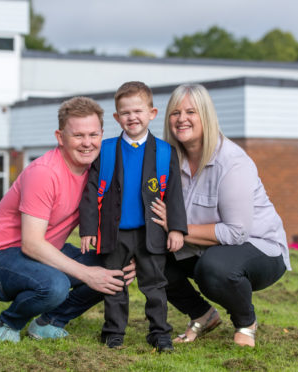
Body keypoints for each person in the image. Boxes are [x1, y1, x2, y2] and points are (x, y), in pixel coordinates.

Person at [0, 96, 136, 343]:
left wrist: (128, 256)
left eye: (93, 135)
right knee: (55, 285)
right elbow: (32, 244)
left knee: (116, 267)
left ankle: (49, 322)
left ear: (102, 134)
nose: (87, 143)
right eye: (78, 136)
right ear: (60, 137)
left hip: (43, 254)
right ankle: (10, 322)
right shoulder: (44, 173)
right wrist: (88, 274)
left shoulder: (97, 171)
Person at [151, 84, 291, 347]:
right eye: (175, 112)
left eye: (191, 111)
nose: (182, 119)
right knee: (150, 257)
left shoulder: (232, 161)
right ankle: (203, 315)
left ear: (206, 116)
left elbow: (236, 232)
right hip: (203, 246)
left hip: (260, 248)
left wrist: (177, 227)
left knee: (214, 268)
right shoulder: (167, 160)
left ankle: (245, 321)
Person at [79, 81, 187, 352]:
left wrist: (176, 229)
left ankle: (160, 333)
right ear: (117, 117)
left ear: (152, 113)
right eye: (125, 113)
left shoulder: (164, 152)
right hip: (115, 233)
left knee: (155, 285)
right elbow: (91, 192)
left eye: (138, 111)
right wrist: (88, 229)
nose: (132, 117)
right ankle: (113, 332)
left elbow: (174, 194)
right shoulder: (105, 151)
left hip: (151, 233)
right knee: (114, 284)